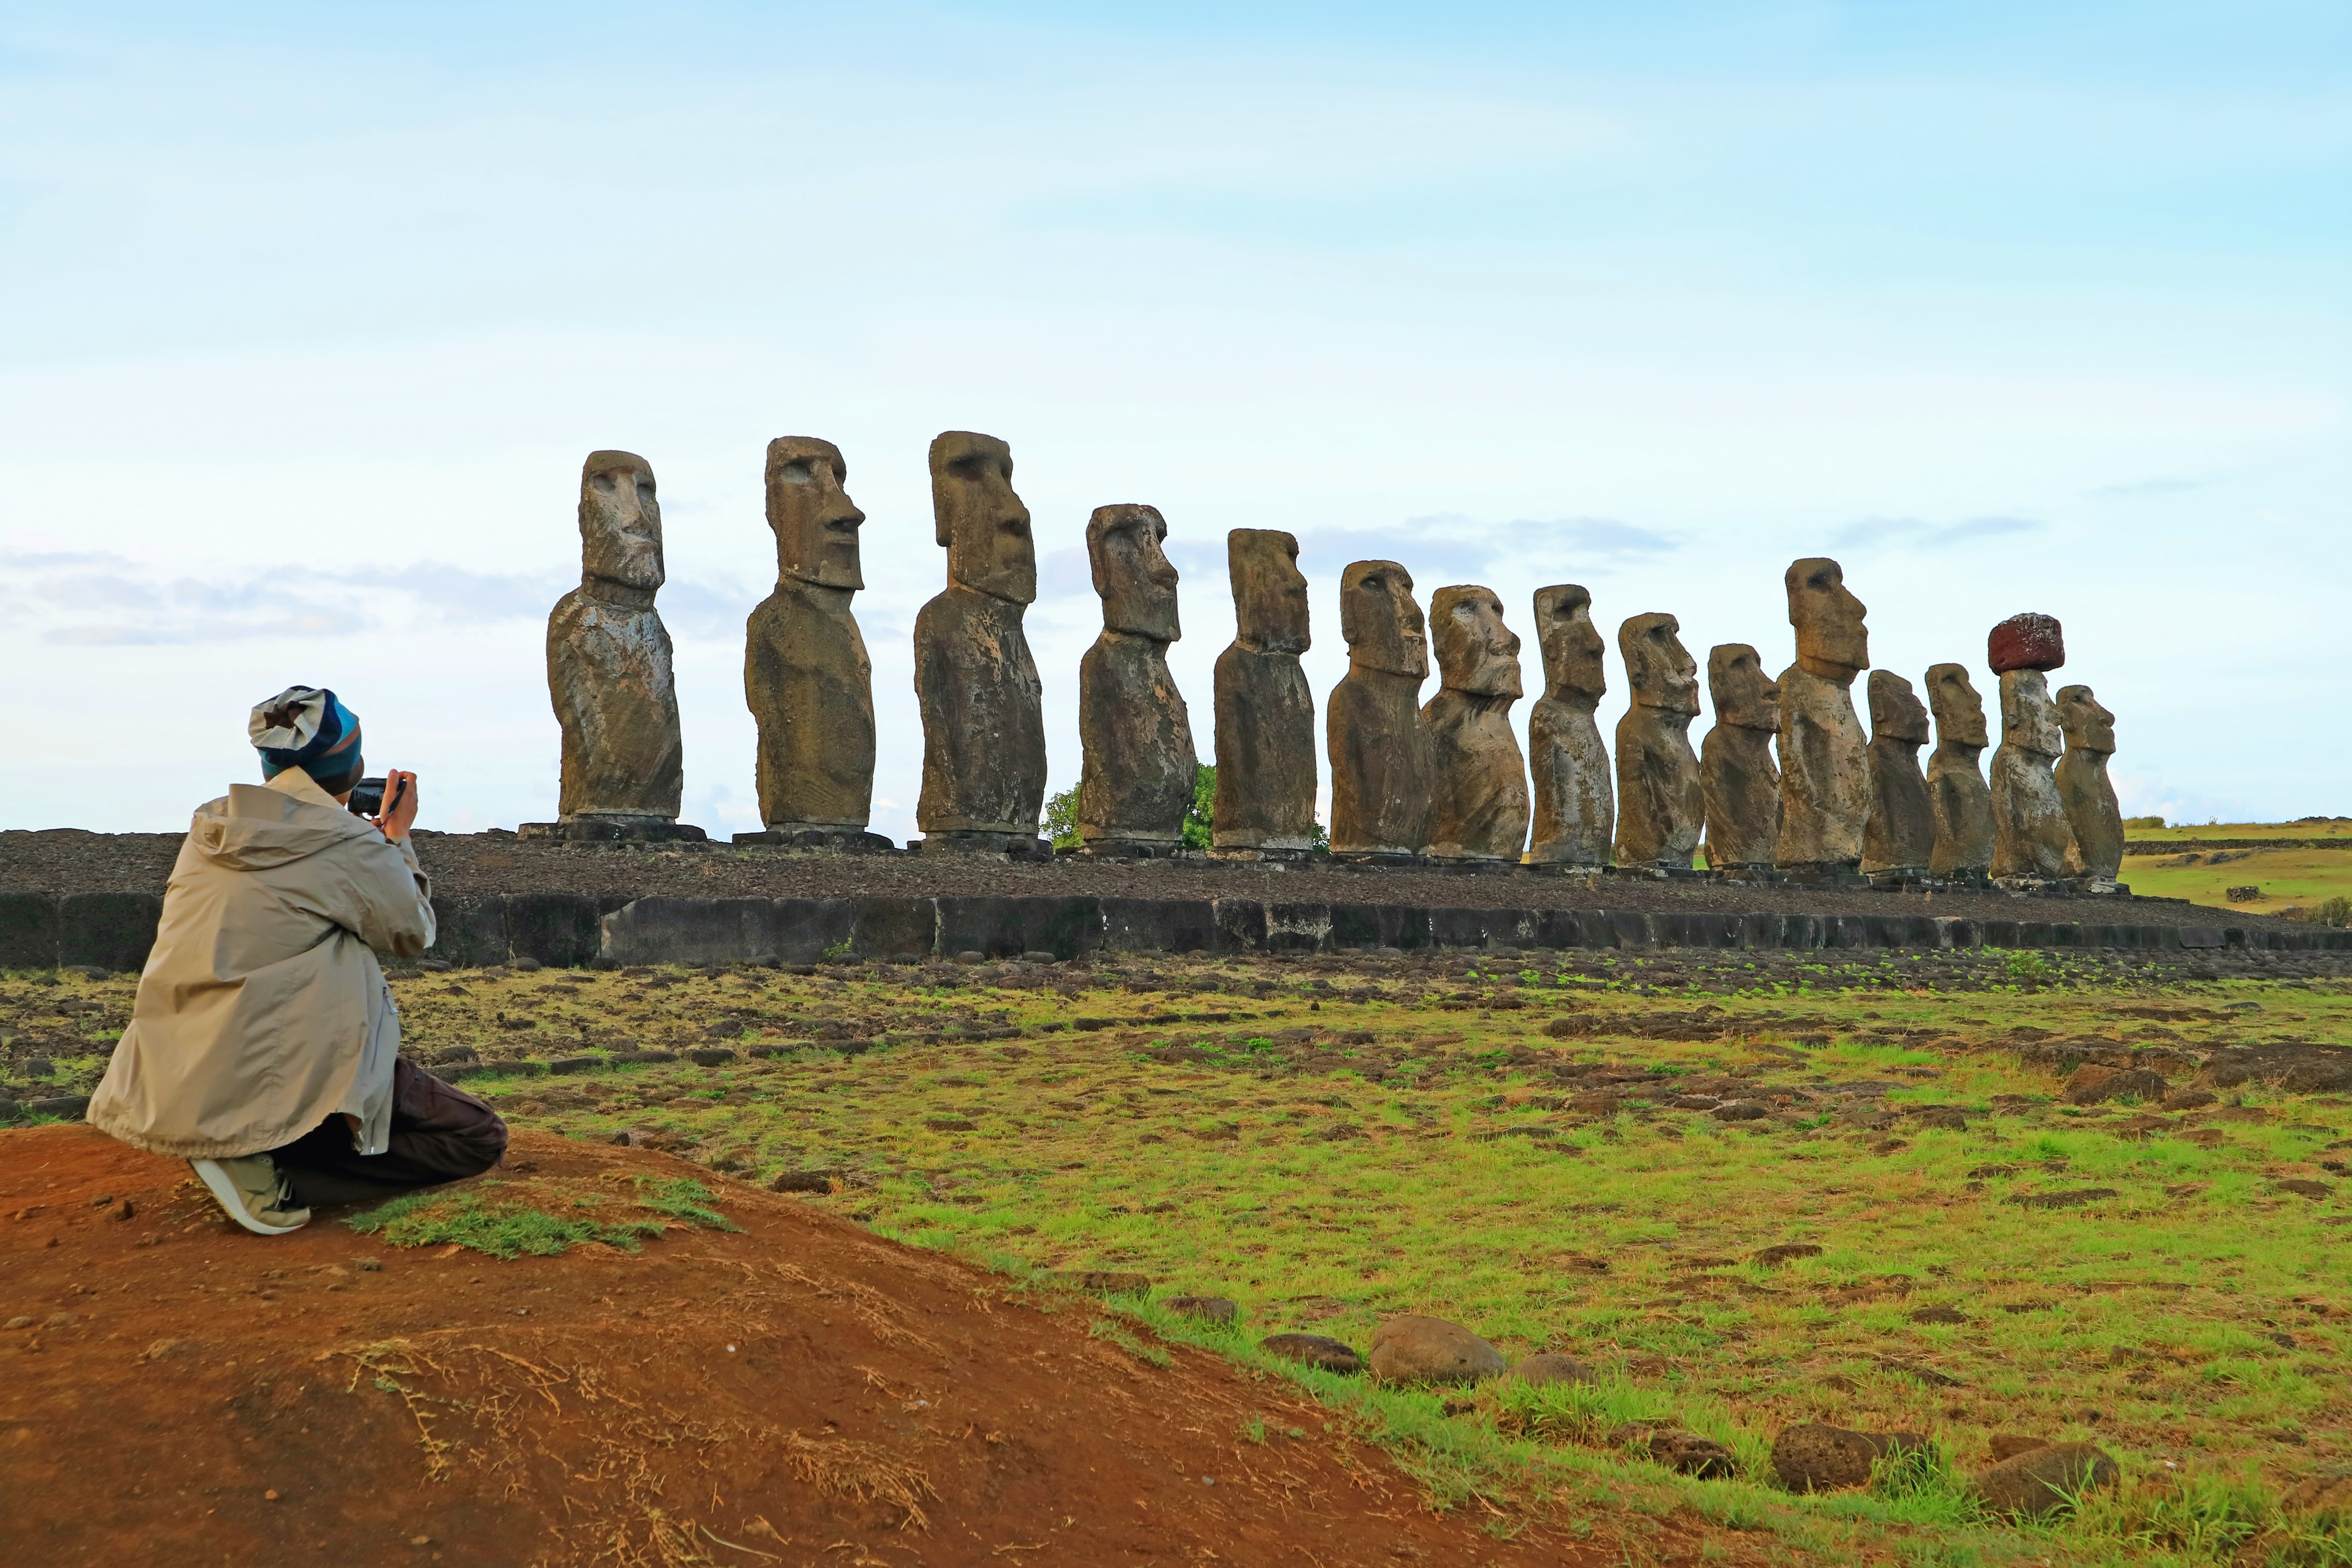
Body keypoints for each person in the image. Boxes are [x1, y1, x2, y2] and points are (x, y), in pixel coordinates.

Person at [87, 685, 508, 1235]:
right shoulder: (348, 846)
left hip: (180, 1060)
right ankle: (268, 1170)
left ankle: (238, 1140)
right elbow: (412, 932)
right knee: (476, 1136)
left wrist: (368, 848)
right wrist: (396, 840)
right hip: (282, 1055)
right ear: (350, 769)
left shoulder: (211, 828)